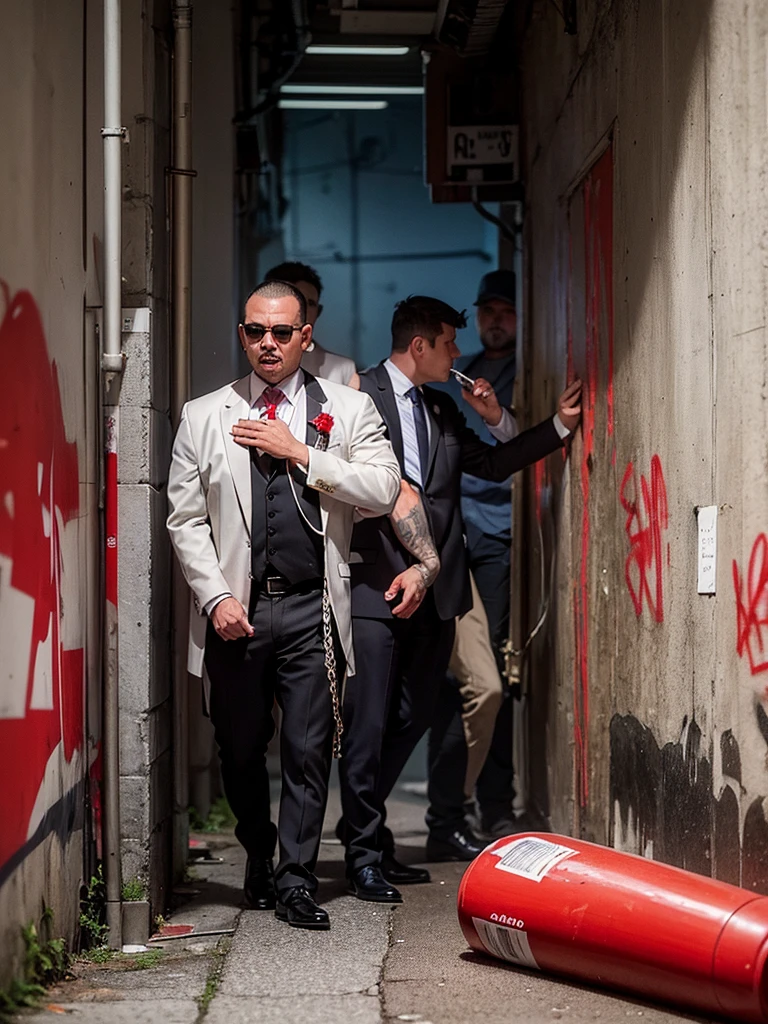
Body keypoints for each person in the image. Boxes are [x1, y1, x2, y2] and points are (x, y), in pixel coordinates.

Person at [167, 280, 400, 931]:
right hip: (236, 613)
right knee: (240, 748)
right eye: (254, 332)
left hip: (311, 608)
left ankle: (296, 880)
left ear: (305, 337)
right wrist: (214, 596)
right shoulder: (204, 414)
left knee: (306, 748)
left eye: (279, 332)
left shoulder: (348, 410)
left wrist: (302, 453)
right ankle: (258, 847)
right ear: (242, 335)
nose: (266, 344)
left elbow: (383, 487)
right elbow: (185, 520)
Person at [339, 295, 582, 895]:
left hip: (441, 579)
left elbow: (494, 465)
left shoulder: (442, 406)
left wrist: (553, 428)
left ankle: (360, 826)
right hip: (378, 579)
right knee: (368, 720)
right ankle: (364, 850)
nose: (457, 352)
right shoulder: (354, 395)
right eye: (448, 342)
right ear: (419, 346)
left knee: (416, 713)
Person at [436, 268, 522, 838]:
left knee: (491, 671)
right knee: (457, 674)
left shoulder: (525, 369)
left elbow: (516, 447)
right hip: (451, 536)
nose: (493, 321)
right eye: (486, 310)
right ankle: (454, 805)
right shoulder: (452, 381)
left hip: (495, 533)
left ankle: (490, 802)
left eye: (504, 312)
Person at [264, 261, 359, 387]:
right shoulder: (248, 357)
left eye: (310, 303)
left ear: (318, 312)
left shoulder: (342, 370)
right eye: (293, 301)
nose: (302, 310)